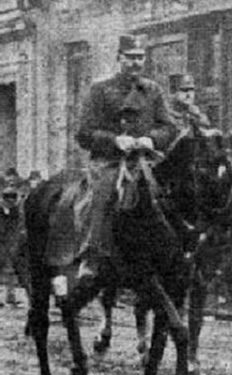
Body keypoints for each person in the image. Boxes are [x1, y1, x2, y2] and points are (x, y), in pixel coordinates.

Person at [75, 34, 177, 281]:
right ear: (119, 58)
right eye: (130, 58)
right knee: (103, 194)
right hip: (109, 161)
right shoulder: (100, 90)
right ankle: (93, 254)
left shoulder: (152, 90)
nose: (135, 63)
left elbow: (169, 127)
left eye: (140, 58)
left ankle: (178, 250)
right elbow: (84, 133)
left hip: (146, 160)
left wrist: (151, 139)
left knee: (174, 192)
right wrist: (114, 140)